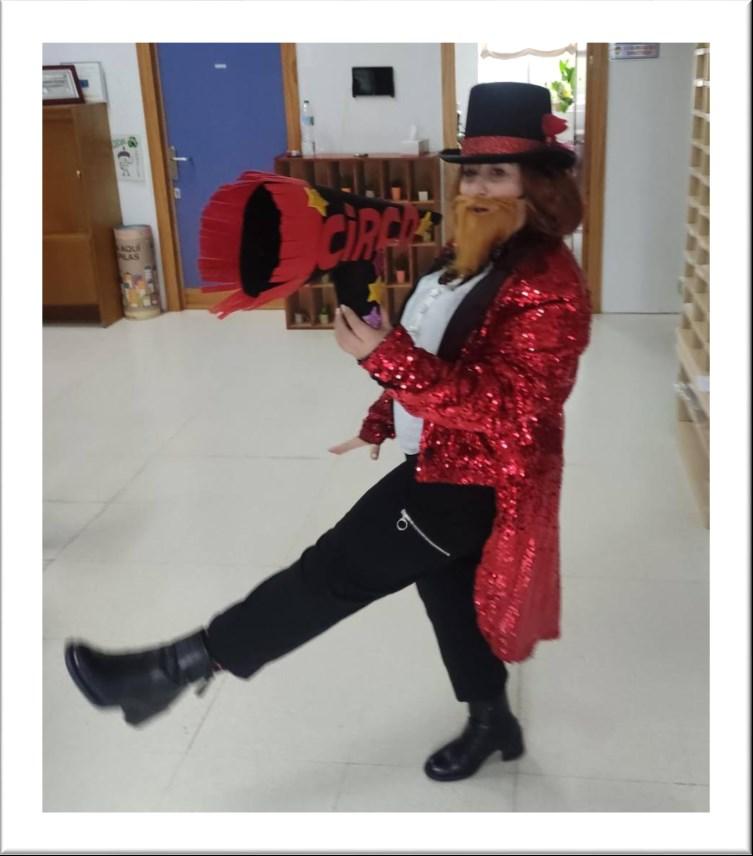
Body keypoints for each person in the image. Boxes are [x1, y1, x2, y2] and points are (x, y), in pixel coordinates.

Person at [64, 82, 592, 783]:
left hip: (470, 483)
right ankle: (492, 720)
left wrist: (386, 359)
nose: (476, 187)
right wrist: (384, 413)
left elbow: (511, 409)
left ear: (538, 182)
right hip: (436, 455)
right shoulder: (470, 250)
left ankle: (168, 671)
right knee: (448, 600)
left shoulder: (548, 283)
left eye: (497, 173)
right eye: (470, 172)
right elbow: (439, 348)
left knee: (332, 573)